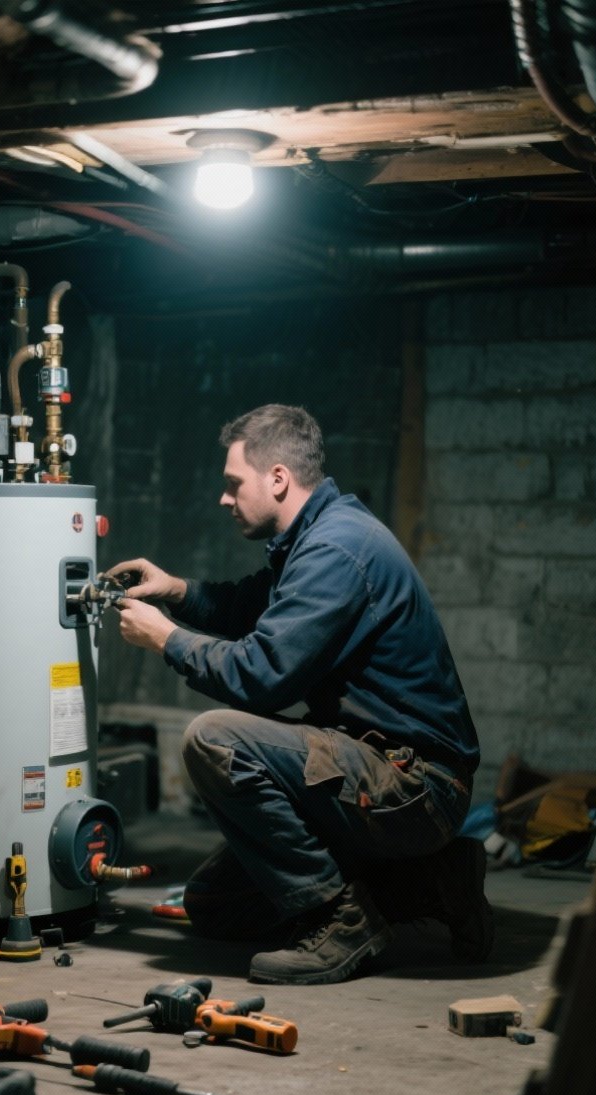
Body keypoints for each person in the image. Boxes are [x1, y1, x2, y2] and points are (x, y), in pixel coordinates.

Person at [111, 403, 489, 985]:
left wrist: (167, 641)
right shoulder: (319, 535)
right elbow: (246, 608)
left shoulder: (335, 550)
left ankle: (342, 922)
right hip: (377, 765)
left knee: (214, 740)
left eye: (233, 483)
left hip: (416, 785)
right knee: (214, 905)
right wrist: (177, 592)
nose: (224, 498)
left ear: (279, 479)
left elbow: (260, 677)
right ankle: (434, 881)